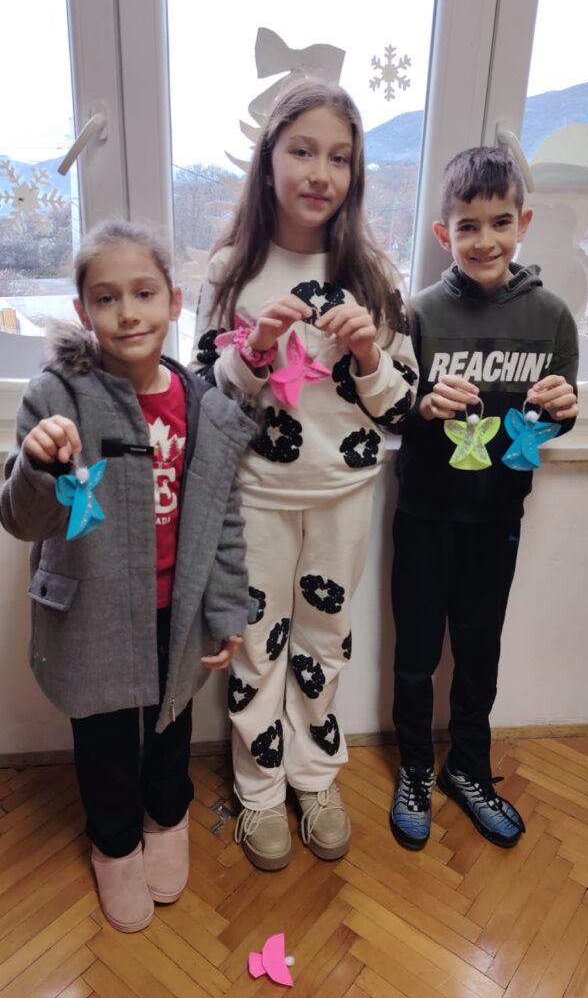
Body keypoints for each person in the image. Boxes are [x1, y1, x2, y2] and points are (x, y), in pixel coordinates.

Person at [0, 220, 256, 932]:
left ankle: (166, 818)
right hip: (93, 609)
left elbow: (224, 517)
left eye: (144, 293)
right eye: (106, 298)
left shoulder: (201, 401)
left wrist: (225, 610)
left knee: (171, 723)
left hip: (177, 605)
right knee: (106, 740)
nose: (127, 313)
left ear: (173, 301)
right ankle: (113, 844)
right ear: (83, 311)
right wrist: (37, 464)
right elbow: (22, 520)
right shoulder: (55, 395)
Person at [190, 79, 418, 871]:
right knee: (256, 645)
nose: (321, 173)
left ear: (355, 172)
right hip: (255, 495)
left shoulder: (374, 274)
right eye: (302, 151)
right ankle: (258, 789)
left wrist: (367, 355)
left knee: (324, 642)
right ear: (268, 161)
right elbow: (204, 403)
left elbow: (401, 410)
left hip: (343, 496)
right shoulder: (230, 270)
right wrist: (254, 352)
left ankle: (314, 777)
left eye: (339, 157)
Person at [390, 147, 578, 851]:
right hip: (423, 515)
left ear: (522, 223)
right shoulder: (417, 314)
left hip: (497, 516)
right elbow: (393, 409)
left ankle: (467, 768)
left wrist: (562, 410)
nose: (485, 240)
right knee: (414, 655)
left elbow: (554, 416)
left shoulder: (553, 317)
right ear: (444, 233)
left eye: (500, 222)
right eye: (467, 226)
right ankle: (414, 767)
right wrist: (421, 404)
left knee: (478, 652)